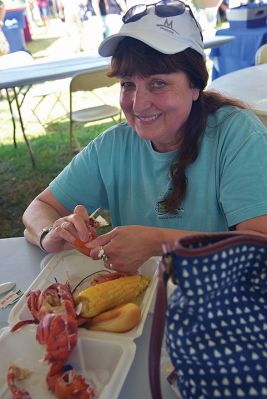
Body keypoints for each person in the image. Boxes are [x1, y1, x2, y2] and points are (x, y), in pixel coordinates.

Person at [23, 0, 267, 275]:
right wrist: (51, 233)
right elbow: (40, 206)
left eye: (158, 83)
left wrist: (159, 244)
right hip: (141, 311)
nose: (138, 105)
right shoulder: (113, 147)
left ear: (195, 85)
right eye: (128, 84)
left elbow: (259, 247)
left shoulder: (237, 135)